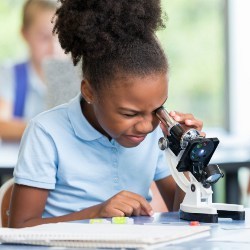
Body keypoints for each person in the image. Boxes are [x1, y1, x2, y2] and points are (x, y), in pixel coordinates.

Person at [9, 0, 204, 228]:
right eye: (130, 114)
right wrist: (97, 213)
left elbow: (179, 213)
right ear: (89, 91)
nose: (145, 126)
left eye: (157, 109)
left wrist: (188, 157)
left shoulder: (154, 134)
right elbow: (20, 227)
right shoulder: (46, 132)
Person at [0, 0, 65, 141]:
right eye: (44, 38)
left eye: (60, 37)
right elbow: (2, 124)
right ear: (24, 34)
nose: (54, 47)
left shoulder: (76, 78)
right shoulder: (10, 75)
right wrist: (48, 128)